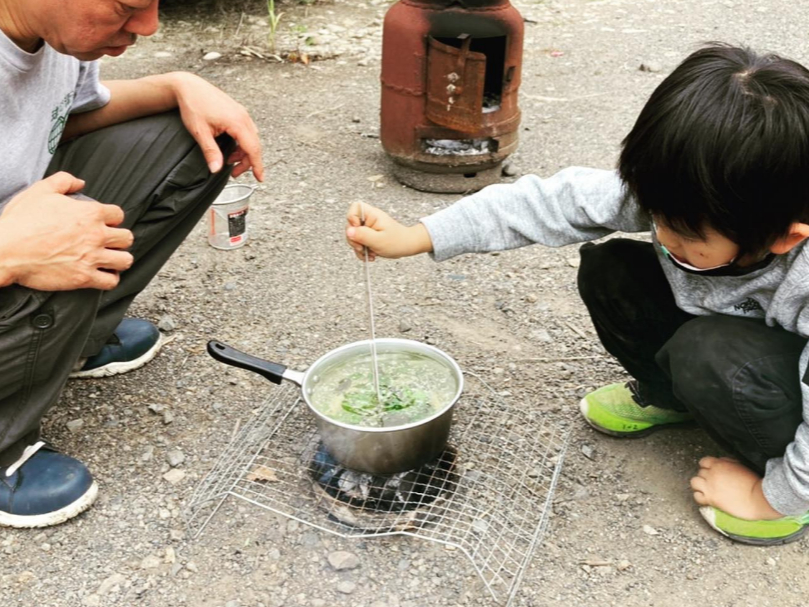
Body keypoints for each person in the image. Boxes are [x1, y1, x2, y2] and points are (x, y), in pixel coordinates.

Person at [346, 44, 809, 546]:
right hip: (731, 348)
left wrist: (774, 494)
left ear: (786, 236)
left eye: (685, 237)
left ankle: (780, 491)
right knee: (611, 269)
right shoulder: (687, 199)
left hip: (771, 380)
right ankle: (671, 396)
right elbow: (548, 202)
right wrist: (417, 235)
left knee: (710, 350)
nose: (662, 233)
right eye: (656, 218)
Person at [0, 0, 264, 528]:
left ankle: (66, 344)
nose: (149, 26)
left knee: (193, 138)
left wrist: (177, 85)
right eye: (126, 6)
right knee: (70, 230)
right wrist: (10, 252)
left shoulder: (50, 37)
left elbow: (63, 122)